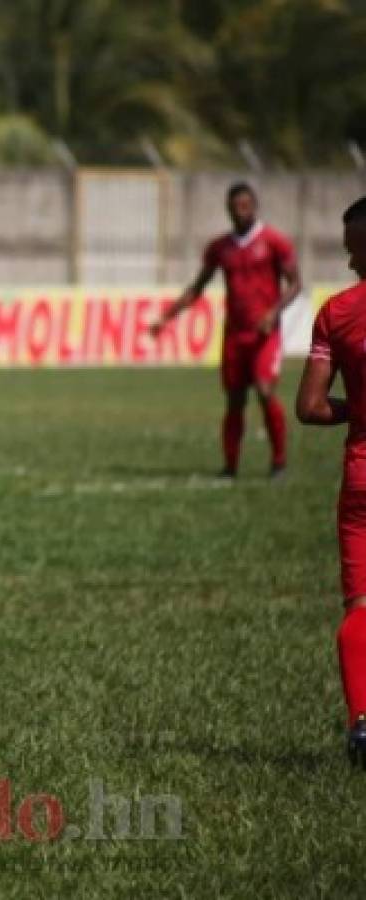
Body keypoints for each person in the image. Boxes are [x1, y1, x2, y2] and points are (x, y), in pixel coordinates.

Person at [152, 182, 301, 478]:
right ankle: (230, 467)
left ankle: (279, 462)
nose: (240, 211)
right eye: (235, 207)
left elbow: (295, 284)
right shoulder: (220, 248)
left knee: (264, 390)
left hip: (264, 334)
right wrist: (167, 317)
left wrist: (273, 313)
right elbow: (198, 287)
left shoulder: (274, 241)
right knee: (234, 399)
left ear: (255, 206)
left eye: (245, 205)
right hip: (234, 334)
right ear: (228, 209)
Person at [295, 195, 366, 767]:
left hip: (363, 472)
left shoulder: (337, 313)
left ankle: (362, 724)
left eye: (352, 250)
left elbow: (311, 407)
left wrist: (360, 412)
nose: (348, 263)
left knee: (360, 606)